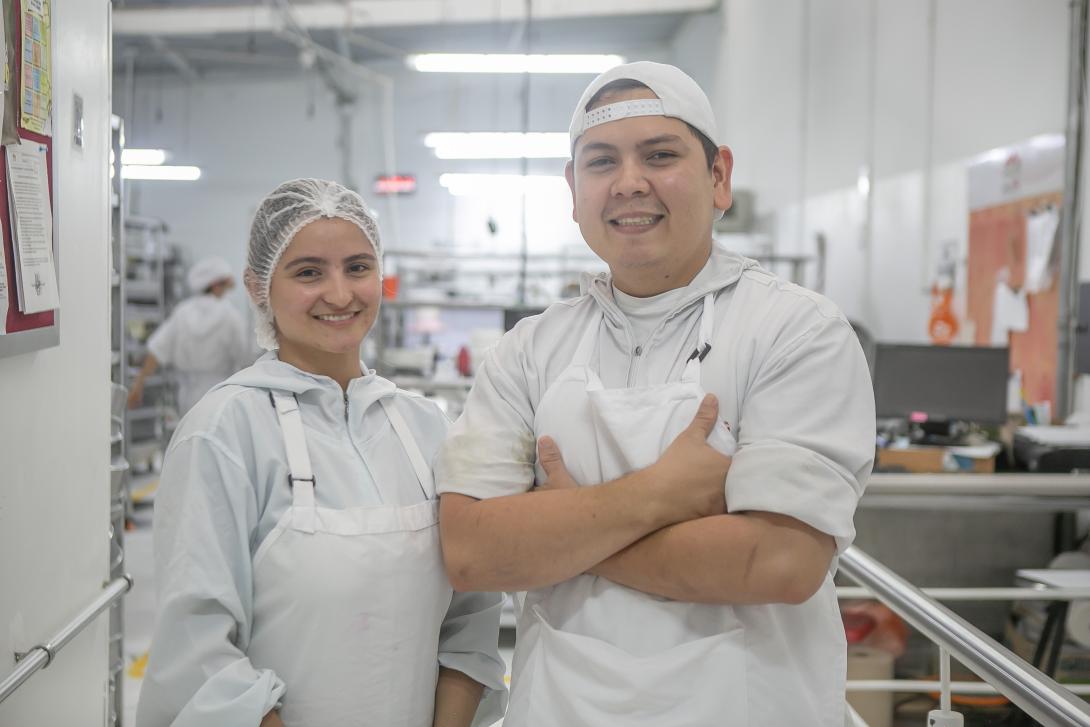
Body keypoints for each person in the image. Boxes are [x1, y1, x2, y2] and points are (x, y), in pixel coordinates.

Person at [437, 62, 875, 725]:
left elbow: (780, 562)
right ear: (573, 188)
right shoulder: (527, 351)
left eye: (661, 155)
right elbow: (472, 552)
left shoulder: (794, 331)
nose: (629, 182)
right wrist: (660, 495)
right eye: (602, 161)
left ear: (719, 176)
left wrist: (561, 530)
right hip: (560, 707)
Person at [136, 179, 507, 727]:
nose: (339, 294)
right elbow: (200, 655)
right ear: (259, 287)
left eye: (358, 267)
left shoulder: (425, 427)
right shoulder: (223, 432)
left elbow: (469, 622)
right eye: (309, 272)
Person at [127, 255, 251, 416]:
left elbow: (156, 350)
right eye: (227, 284)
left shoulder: (182, 312)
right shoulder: (231, 316)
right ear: (215, 285)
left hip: (187, 396)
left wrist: (138, 385)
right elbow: (244, 359)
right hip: (220, 393)